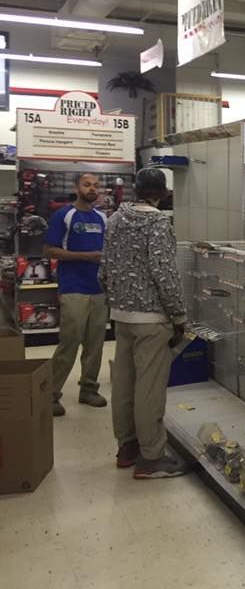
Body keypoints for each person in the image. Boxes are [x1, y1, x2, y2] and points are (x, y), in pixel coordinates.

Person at [100, 168, 189, 479]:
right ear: (162, 194)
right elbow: (164, 274)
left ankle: (127, 448)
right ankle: (151, 458)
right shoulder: (158, 223)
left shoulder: (114, 220)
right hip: (152, 319)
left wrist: (116, 302)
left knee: (123, 384)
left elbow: (104, 269)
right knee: (148, 389)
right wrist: (178, 316)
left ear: (135, 190)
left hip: (121, 316)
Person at [43, 173, 109, 417]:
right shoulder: (64, 215)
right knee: (69, 344)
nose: (92, 188)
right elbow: (49, 250)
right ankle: (49, 395)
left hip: (99, 290)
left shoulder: (102, 217)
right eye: (87, 184)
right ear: (76, 187)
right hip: (73, 289)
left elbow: (107, 251)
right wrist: (85, 256)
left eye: (95, 185)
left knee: (95, 344)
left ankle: (88, 390)